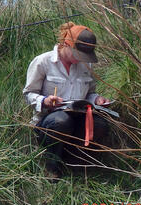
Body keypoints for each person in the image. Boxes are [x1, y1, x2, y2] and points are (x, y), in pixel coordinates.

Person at [23, 22, 110, 178]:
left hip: (78, 118)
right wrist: (44, 101)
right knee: (61, 121)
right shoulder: (43, 62)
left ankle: (74, 162)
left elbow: (90, 93)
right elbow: (28, 94)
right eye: (78, 54)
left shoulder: (86, 65)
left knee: (100, 124)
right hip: (49, 122)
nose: (80, 59)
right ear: (66, 44)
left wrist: (97, 99)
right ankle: (52, 165)